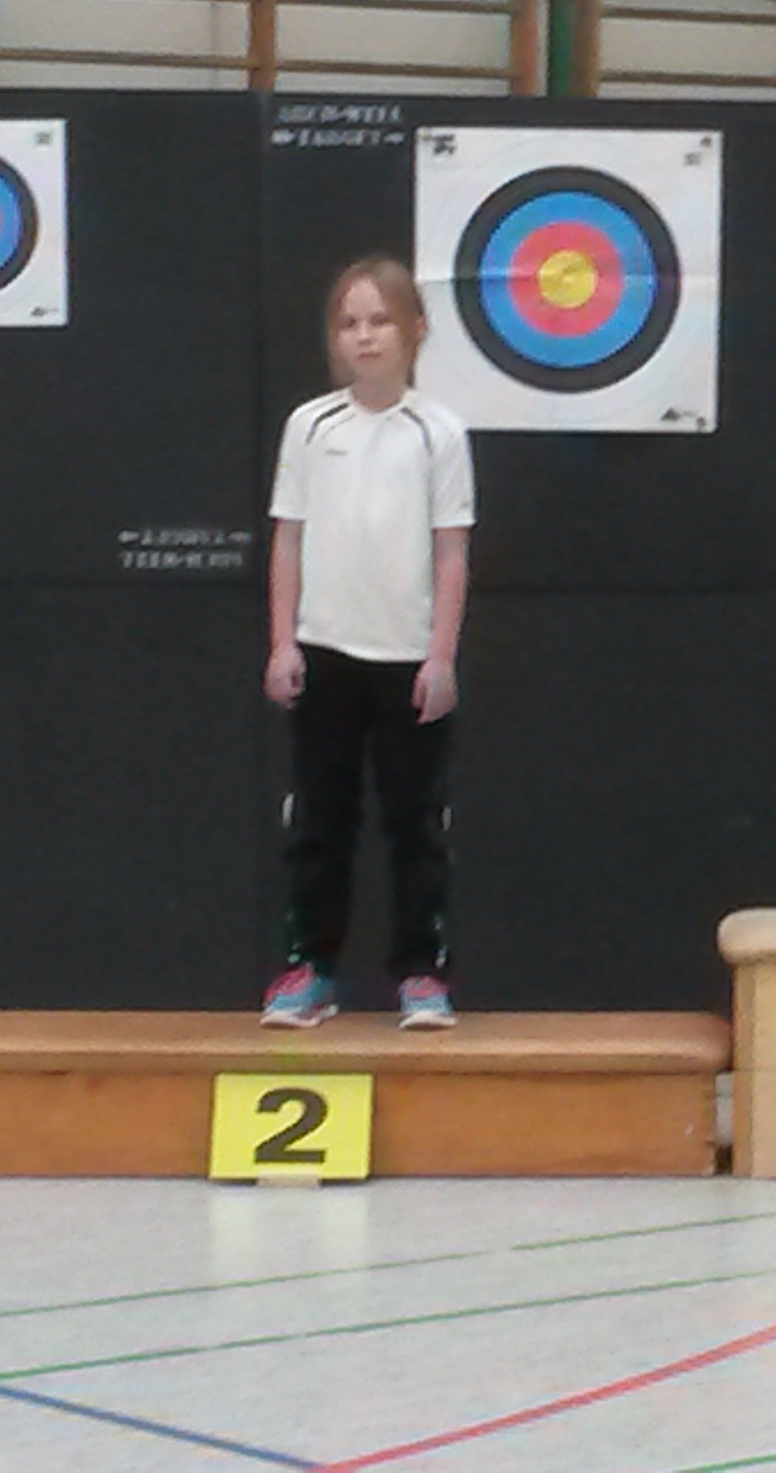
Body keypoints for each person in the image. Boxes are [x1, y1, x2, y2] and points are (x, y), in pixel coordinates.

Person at [261, 257, 474, 1028]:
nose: (365, 336)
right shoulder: (310, 426)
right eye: (349, 323)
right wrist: (283, 644)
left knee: (415, 826)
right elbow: (288, 540)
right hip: (325, 656)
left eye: (380, 320)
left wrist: (440, 657)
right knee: (320, 824)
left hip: (408, 664)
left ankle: (422, 976)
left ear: (415, 330)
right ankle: (311, 971)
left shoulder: (438, 433)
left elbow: (451, 553)